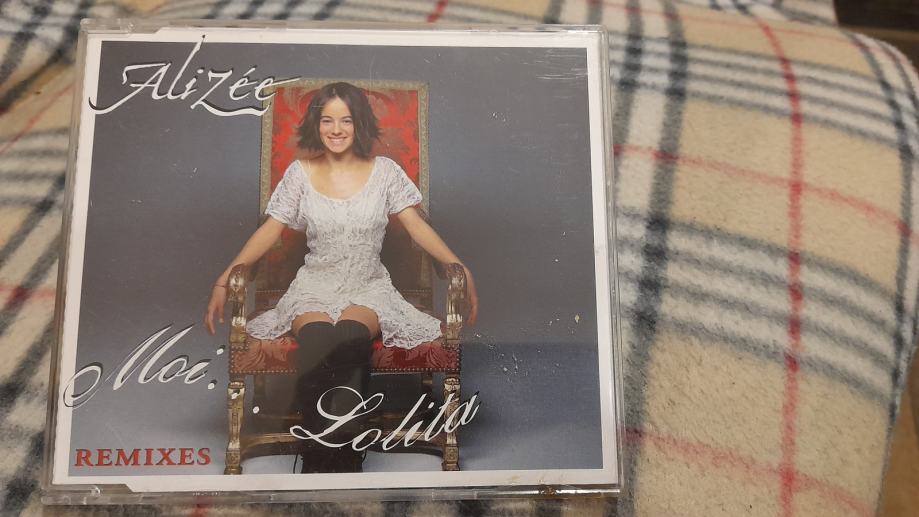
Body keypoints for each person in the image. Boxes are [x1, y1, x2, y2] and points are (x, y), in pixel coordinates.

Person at [204, 82, 478, 473]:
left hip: (367, 286)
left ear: (359, 124)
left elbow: (416, 227)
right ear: (316, 125)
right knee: (319, 338)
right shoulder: (300, 173)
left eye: (345, 120)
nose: (336, 130)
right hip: (314, 285)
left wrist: (460, 267)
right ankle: (320, 461)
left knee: (349, 338)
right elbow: (270, 230)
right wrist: (224, 279)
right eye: (327, 120)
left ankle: (344, 461)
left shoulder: (385, 172)